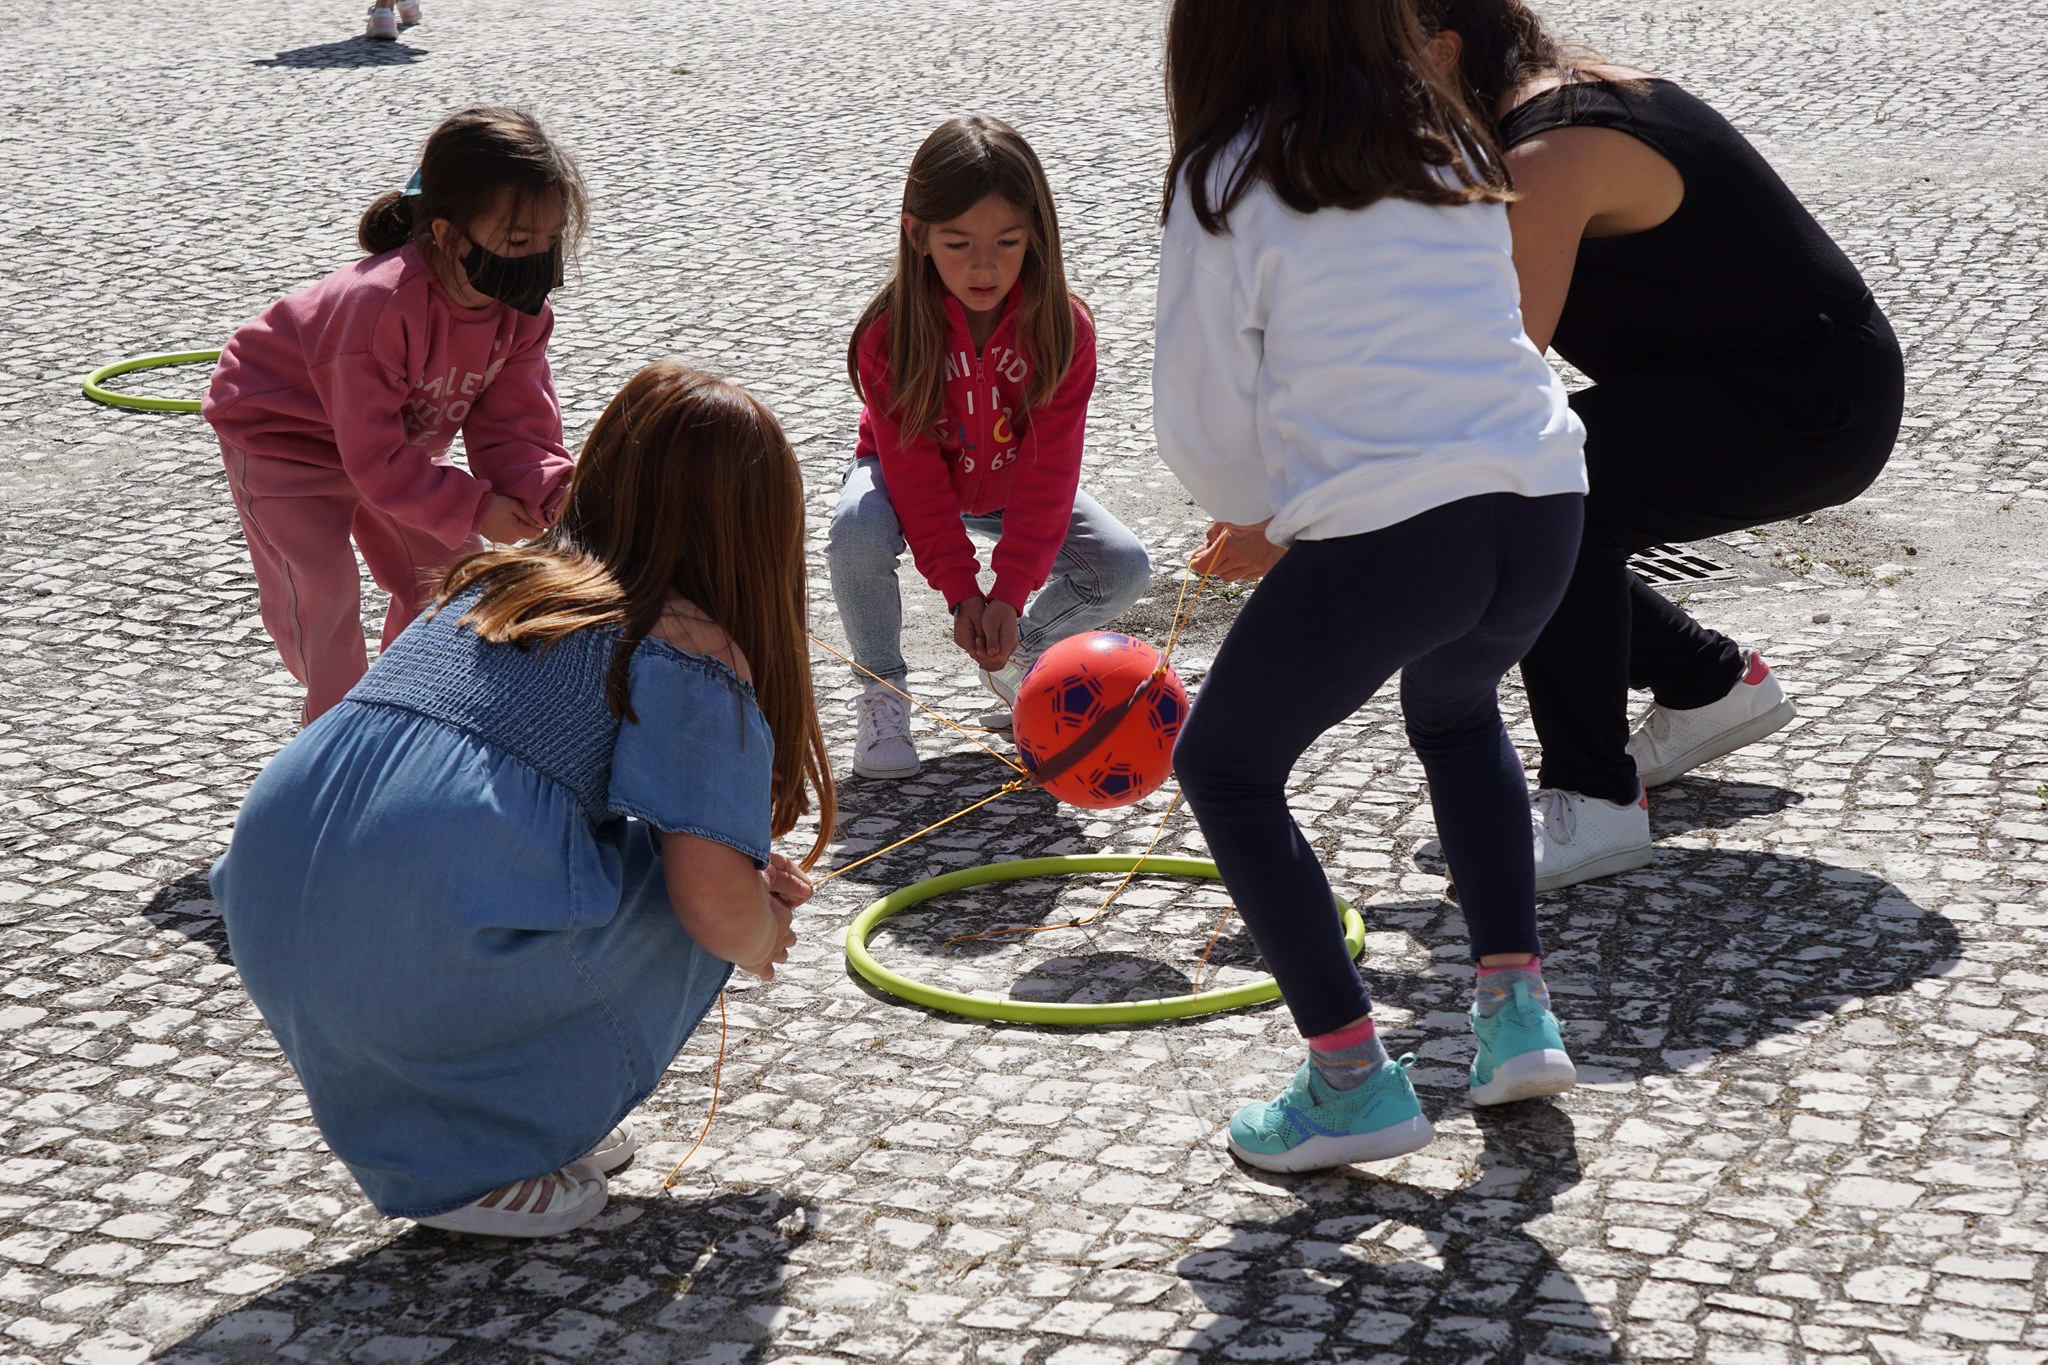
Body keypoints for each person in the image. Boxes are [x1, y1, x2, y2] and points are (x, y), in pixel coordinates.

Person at [209, 361, 836, 1238]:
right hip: (413, 953)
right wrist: (761, 925)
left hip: (270, 906)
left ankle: (510, 1124)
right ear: (760, 530)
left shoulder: (489, 585)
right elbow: (710, 899)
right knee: (693, 891)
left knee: (657, 866)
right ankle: (476, 1159)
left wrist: (729, 864)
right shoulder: (684, 646)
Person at [1155, 0, 1588, 1173]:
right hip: (1545, 503)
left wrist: (1265, 510)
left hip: (1406, 532)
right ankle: (1515, 1018)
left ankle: (1350, 1078)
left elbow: (1201, 428)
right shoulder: (1439, 135)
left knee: (1224, 767)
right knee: (1453, 710)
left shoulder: (1226, 171)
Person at [1417, 0, 1905, 890]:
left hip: (1813, 404)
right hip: (1786, 380)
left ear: (1444, 52)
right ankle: (1710, 685)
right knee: (1538, 485)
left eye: (1378, 67)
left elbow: (1500, 365)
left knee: (1544, 487)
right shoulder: (1548, 108)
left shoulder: (1550, 150)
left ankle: (1595, 801)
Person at [204, 106, 582, 724]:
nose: (537, 261)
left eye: (550, 241)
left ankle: (408, 705)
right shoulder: (378, 306)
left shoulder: (521, 311)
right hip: (283, 437)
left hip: (396, 447)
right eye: (517, 244)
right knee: (323, 595)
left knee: (452, 572)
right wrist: (476, 504)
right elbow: (371, 459)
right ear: (449, 235)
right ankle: (333, 736)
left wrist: (551, 490)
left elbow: (517, 427)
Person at [827, 115, 1152, 780]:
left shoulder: (1063, 329)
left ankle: (1017, 657)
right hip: (902, 480)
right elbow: (914, 476)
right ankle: (883, 692)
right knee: (853, 529)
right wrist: (959, 593)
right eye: (958, 243)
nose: (984, 266)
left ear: (1037, 236)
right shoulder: (890, 335)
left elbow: (1049, 472)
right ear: (916, 234)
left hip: (1008, 489)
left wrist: (1005, 598)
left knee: (1123, 566)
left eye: (1007, 242)